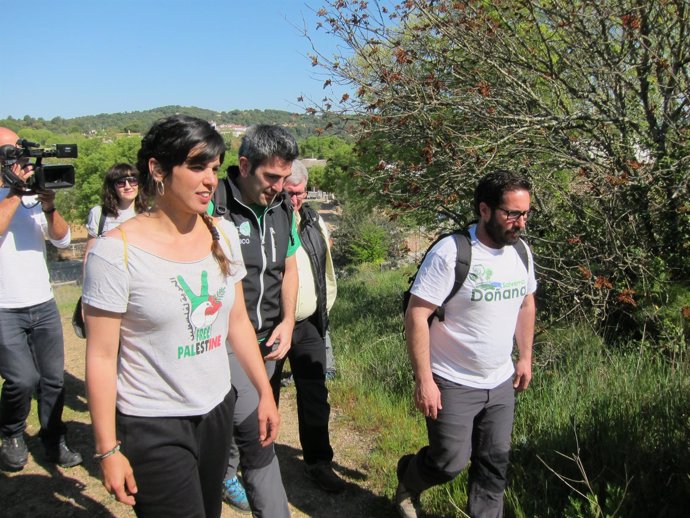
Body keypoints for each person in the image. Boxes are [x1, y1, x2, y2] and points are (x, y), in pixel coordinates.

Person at [83, 115, 280, 518]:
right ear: (157, 170)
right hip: (154, 423)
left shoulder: (221, 233)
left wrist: (264, 393)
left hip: (216, 410)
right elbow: (101, 357)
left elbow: (237, 323)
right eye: (196, 166)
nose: (210, 179)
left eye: (213, 167)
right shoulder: (114, 251)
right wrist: (107, 448)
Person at [395, 170, 537, 518]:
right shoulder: (451, 253)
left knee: (493, 466)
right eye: (512, 214)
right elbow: (417, 315)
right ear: (484, 210)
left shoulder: (521, 253)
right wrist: (424, 380)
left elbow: (527, 304)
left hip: (500, 381)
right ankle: (409, 480)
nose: (521, 223)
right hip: (452, 380)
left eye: (526, 214)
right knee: (448, 462)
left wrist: (525, 358)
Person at [212, 124, 299, 517]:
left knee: (243, 418)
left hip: (269, 337)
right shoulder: (214, 203)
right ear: (245, 165)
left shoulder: (283, 208)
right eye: (271, 177)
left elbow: (290, 266)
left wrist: (289, 321)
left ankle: (224, 472)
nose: (279, 186)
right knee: (258, 431)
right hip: (225, 338)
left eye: (285, 177)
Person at [0, 127, 83, 470]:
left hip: (43, 301)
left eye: (18, 149)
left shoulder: (32, 197)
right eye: (8, 151)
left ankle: (53, 438)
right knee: (21, 379)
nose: (17, 156)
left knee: (52, 379)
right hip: (4, 306)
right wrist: (16, 193)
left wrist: (48, 207)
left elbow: (62, 241)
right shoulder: (14, 196)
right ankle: (11, 433)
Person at [270, 160, 345, 492]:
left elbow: (324, 270)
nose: (295, 200)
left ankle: (318, 462)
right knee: (263, 395)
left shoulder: (314, 221)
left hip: (309, 324)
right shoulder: (266, 223)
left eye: (299, 193)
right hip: (269, 325)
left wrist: (323, 313)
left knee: (315, 395)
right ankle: (258, 463)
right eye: (289, 192)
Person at [84, 162, 146, 254]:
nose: (128, 186)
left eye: (132, 180)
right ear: (112, 187)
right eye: (121, 182)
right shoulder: (99, 213)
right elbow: (89, 253)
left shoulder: (150, 213)